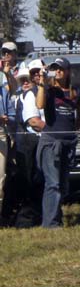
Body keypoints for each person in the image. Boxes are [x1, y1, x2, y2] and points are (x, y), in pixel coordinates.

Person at [35, 58, 80, 229]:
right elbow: (39, 104)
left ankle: (56, 217)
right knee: (53, 183)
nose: (58, 71)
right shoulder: (49, 90)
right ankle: (50, 223)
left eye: (61, 68)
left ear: (68, 71)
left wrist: (74, 131)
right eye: (55, 69)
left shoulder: (75, 92)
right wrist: (42, 82)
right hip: (51, 142)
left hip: (68, 142)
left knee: (63, 184)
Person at [16, 59, 46, 226]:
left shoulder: (49, 91)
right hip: (30, 141)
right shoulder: (29, 95)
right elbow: (33, 121)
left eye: (38, 73)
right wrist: (53, 131)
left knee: (41, 180)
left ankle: (40, 213)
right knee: (31, 179)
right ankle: (27, 217)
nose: (28, 81)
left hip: (43, 140)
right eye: (32, 74)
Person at [0, 43, 18, 222]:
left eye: (9, 52)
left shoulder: (18, 71)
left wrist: (7, 74)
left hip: (9, 130)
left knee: (5, 176)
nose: (6, 56)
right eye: (3, 52)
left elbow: (13, 90)